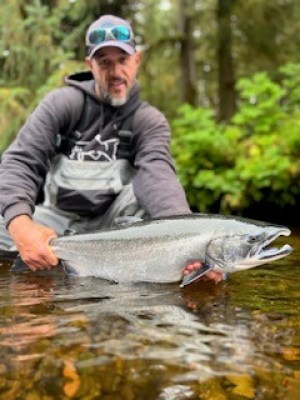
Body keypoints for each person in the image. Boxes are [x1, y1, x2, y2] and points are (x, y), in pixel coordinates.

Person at [0, 15, 222, 283]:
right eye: (104, 62)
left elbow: (158, 176)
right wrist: (22, 226)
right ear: (90, 65)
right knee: (8, 216)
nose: (115, 72)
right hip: (54, 223)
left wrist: (190, 245)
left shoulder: (147, 121)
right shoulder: (61, 104)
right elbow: (21, 162)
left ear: (136, 61)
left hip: (116, 232)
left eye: (122, 60)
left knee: (142, 195)